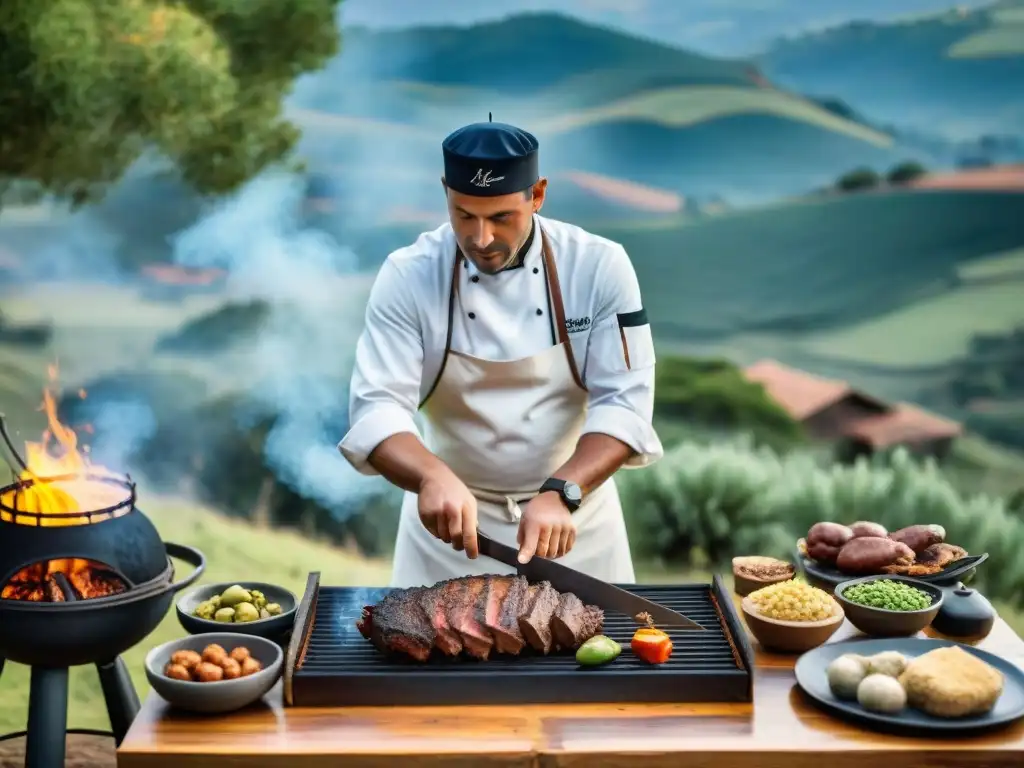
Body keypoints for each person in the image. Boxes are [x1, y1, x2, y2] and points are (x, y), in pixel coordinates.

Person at [338, 117, 664, 588]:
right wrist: (430, 475)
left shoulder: (599, 266)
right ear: (445, 192)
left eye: (501, 218)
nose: (482, 239)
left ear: (537, 195)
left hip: (575, 525)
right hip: (449, 537)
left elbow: (626, 406)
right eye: (464, 216)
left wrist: (563, 490)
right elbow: (376, 409)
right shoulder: (408, 275)